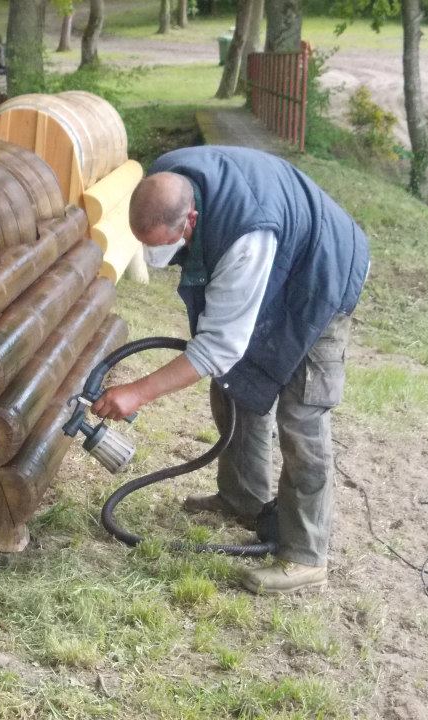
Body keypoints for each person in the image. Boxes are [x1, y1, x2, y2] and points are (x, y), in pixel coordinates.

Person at [91, 146, 369, 594]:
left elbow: (218, 348)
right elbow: (227, 356)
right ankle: (241, 499)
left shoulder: (246, 235)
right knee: (235, 384)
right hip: (280, 250)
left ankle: (304, 556)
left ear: (191, 222)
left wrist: (138, 392)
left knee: (301, 416)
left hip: (320, 276)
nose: (157, 257)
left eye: (164, 245)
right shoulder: (166, 181)